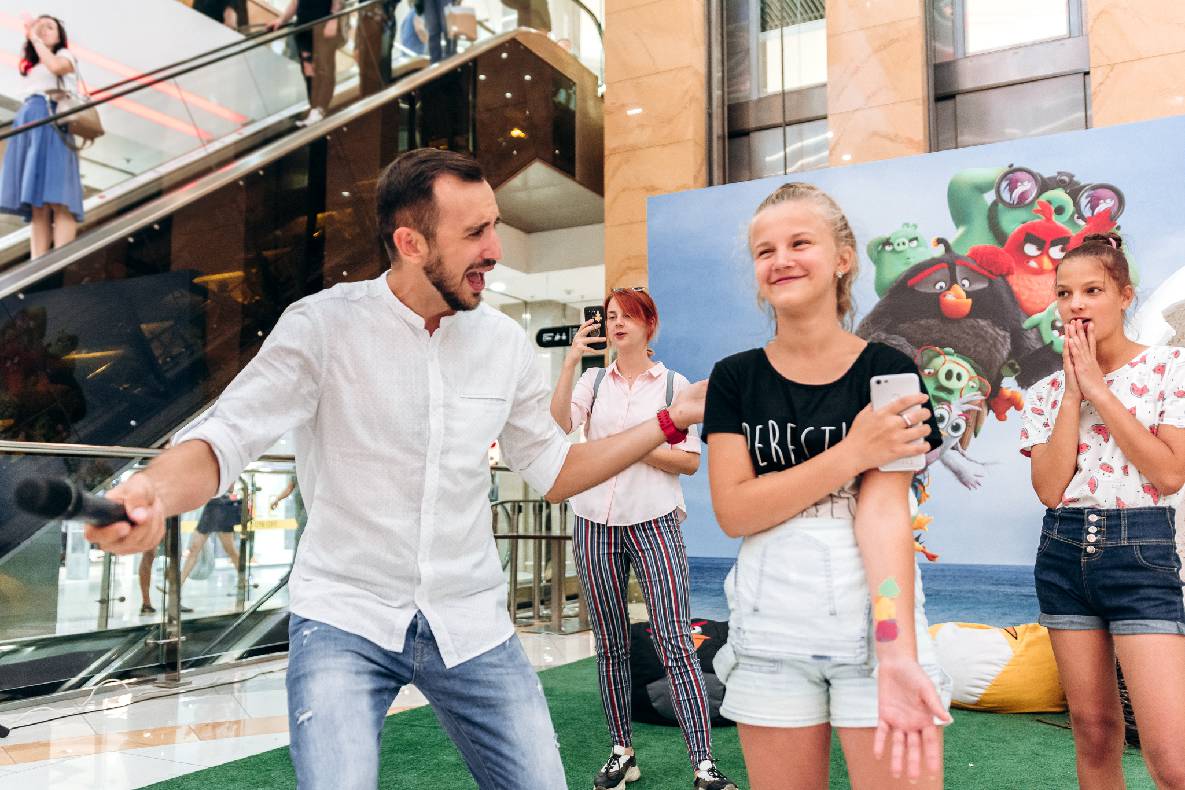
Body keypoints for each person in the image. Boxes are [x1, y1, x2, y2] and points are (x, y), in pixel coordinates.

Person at [85, 147, 707, 790]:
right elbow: (227, 437)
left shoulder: (503, 344)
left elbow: (554, 470)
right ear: (410, 242)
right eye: (475, 233)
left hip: (471, 621)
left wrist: (667, 420)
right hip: (344, 617)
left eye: (494, 224)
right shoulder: (323, 327)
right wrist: (153, 490)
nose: (496, 249)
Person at [702, 182, 952, 789]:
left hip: (877, 620)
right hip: (768, 622)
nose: (780, 259)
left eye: (799, 242)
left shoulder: (889, 370)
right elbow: (734, 511)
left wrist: (895, 652)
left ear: (842, 257)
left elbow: (885, 514)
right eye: (765, 251)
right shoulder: (733, 377)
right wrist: (854, 452)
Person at [550, 289, 737, 790]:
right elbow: (561, 424)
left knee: (675, 641)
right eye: (610, 317)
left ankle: (703, 765)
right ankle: (622, 752)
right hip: (591, 521)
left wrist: (627, 447)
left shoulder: (674, 386)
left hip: (655, 521)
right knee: (610, 644)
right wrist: (570, 359)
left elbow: (689, 462)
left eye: (627, 316)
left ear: (649, 325)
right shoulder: (592, 381)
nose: (616, 324)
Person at [1021, 232, 1185, 789]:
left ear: (1124, 295)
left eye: (1092, 290)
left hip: (1141, 550)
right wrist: (1072, 394)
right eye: (1065, 294)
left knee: (1171, 755)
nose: (1077, 305)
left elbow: (1167, 473)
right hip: (1063, 551)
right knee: (1092, 731)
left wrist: (1099, 389)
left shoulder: (1169, 368)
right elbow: (1049, 488)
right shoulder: (1045, 392)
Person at [0, 14, 83, 260]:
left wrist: (35, 39)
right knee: (37, 204)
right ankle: (38, 264)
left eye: (51, 27)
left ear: (60, 36)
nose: (45, 30)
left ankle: (60, 261)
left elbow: (56, 67)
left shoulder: (64, 56)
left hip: (53, 122)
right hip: (30, 123)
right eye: (41, 26)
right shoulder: (31, 65)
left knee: (60, 198)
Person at [267, 0, 343, 126]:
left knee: (323, 69)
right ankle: (314, 108)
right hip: (303, 27)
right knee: (308, 71)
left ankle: (320, 109)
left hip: (322, 24)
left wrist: (333, 19)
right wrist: (282, 20)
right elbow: (296, 2)